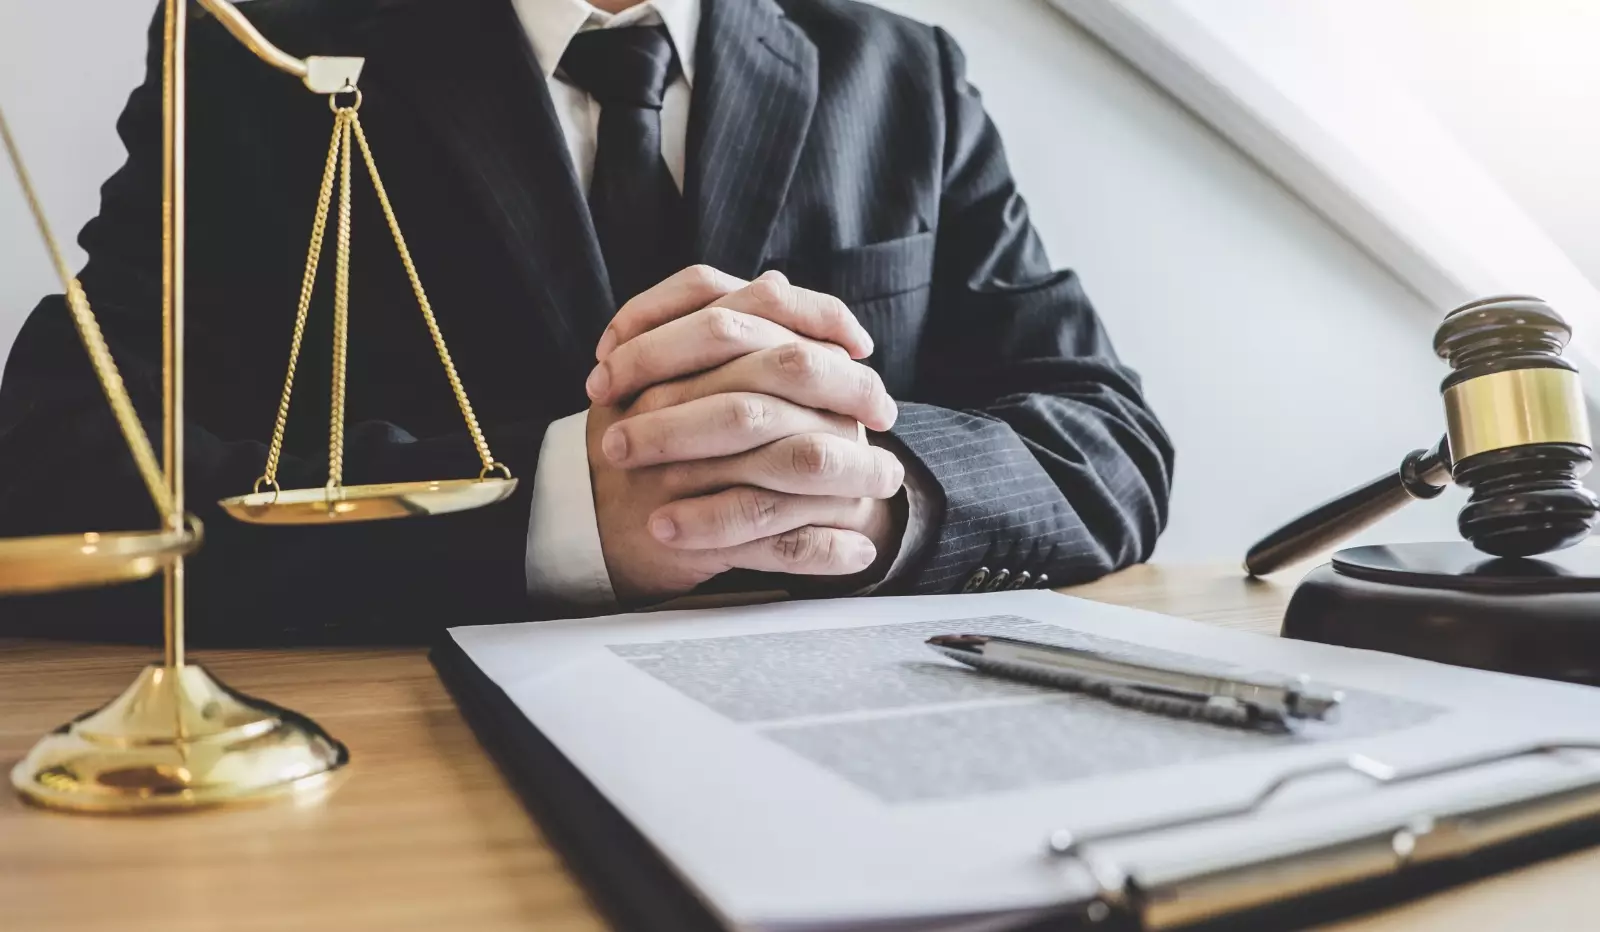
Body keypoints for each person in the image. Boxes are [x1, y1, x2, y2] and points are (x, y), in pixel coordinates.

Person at [0, 0, 1174, 644]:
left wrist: (875, 490)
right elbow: (56, 459)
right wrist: (570, 509)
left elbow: (1109, 436)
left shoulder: (903, 73)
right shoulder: (262, 51)